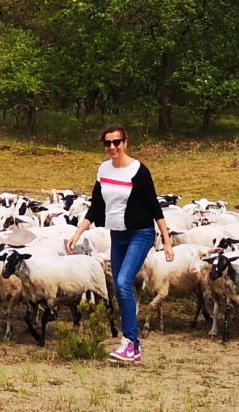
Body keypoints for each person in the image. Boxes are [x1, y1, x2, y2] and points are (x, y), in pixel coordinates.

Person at [67, 125, 173, 363]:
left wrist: (166, 241)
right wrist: (77, 233)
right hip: (118, 234)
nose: (112, 147)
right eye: (108, 143)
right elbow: (96, 206)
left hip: (141, 233)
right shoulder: (103, 170)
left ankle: (130, 343)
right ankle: (131, 346)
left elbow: (154, 207)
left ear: (125, 143)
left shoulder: (138, 171)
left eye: (117, 142)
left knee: (124, 281)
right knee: (118, 285)